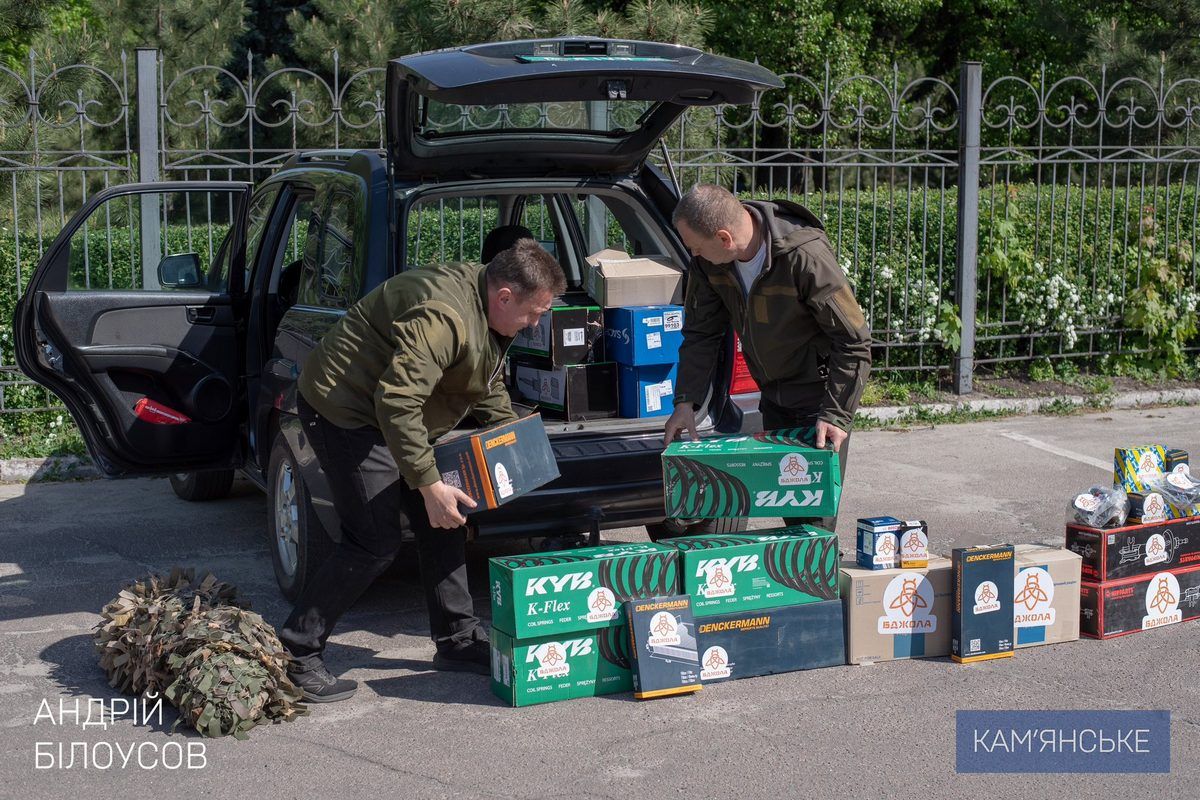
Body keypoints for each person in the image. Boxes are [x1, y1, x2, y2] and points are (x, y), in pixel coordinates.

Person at [280, 239, 565, 702]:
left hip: (398, 413)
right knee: (373, 541)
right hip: (346, 408)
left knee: (448, 516)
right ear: (505, 296)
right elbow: (395, 403)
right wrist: (427, 482)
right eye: (534, 313)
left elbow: (483, 379)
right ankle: (296, 652)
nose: (536, 323)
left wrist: (513, 437)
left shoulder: (488, 302)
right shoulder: (444, 316)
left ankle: (457, 640)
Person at [663, 184, 872, 532]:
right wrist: (686, 402)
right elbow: (701, 334)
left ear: (725, 237)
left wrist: (836, 414)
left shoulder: (804, 256)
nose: (693, 254)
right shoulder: (709, 265)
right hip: (773, 397)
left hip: (817, 399)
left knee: (813, 523)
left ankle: (819, 584)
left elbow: (853, 340)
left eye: (696, 246)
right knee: (792, 514)